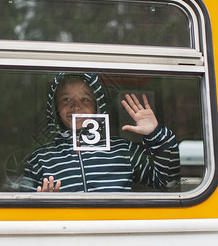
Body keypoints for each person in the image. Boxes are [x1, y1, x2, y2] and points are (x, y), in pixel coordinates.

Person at [21, 72, 180, 192]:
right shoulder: (41, 158)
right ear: (55, 108)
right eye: (66, 100)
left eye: (85, 99)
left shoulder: (122, 150)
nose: (75, 106)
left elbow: (167, 181)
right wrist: (42, 204)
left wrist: (155, 134)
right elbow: (21, 212)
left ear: (97, 106)